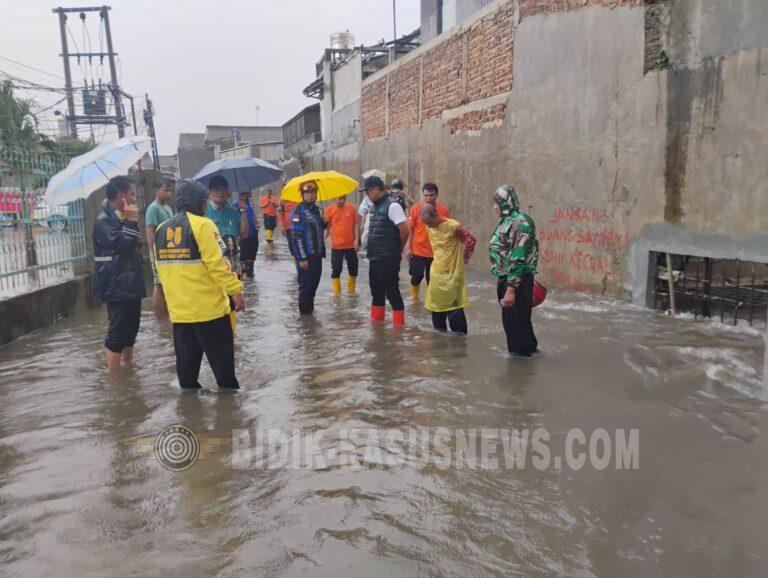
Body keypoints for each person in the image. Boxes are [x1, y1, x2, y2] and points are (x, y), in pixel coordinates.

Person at [154, 180, 245, 389]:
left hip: (180, 315)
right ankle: (230, 415)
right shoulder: (204, 225)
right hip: (209, 312)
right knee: (226, 378)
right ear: (201, 203)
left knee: (186, 379)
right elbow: (219, 264)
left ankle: (190, 415)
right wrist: (236, 291)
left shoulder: (161, 229)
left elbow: (160, 270)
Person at [92, 175, 145, 371]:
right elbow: (122, 246)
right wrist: (131, 221)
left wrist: (130, 222)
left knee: (131, 330)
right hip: (116, 285)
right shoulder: (104, 221)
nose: (134, 199)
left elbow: (133, 245)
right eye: (132, 194)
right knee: (117, 333)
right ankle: (115, 381)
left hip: (131, 283)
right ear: (121, 195)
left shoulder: (120, 217)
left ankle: (128, 370)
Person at [489, 184, 539, 357]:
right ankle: (529, 352)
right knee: (519, 322)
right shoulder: (508, 220)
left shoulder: (519, 222)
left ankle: (519, 372)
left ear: (506, 202)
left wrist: (511, 290)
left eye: (497, 203)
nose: (494, 207)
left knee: (515, 325)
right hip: (510, 278)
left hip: (515, 281)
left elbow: (518, 258)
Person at [419, 203, 476, 334]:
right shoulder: (429, 227)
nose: (428, 225)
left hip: (453, 273)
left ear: (436, 215)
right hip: (436, 273)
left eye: (429, 222)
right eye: (425, 223)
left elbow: (471, 241)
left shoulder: (453, 226)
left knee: (454, 307)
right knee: (436, 307)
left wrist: (465, 258)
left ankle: (459, 343)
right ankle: (440, 341)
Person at [362, 176, 410, 325]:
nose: (366, 196)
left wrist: (398, 248)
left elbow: (405, 231)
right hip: (375, 258)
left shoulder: (393, 206)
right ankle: (378, 331)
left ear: (376, 189)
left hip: (388, 259)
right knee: (376, 294)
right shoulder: (374, 206)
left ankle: (398, 333)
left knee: (393, 294)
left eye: (367, 192)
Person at [405, 183, 451, 301]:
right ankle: (414, 299)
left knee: (432, 279)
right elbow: (411, 228)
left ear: (437, 195)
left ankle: (430, 301)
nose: (428, 198)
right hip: (417, 250)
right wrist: (408, 247)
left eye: (431, 195)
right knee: (416, 276)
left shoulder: (443, 211)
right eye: (426, 195)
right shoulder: (415, 209)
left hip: (435, 252)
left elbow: (447, 231)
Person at [289, 180, 328, 314]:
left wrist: (324, 224)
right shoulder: (298, 211)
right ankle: (305, 322)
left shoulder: (316, 210)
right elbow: (296, 237)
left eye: (312, 192)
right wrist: (302, 258)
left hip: (317, 255)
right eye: (307, 192)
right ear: (302, 194)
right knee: (305, 287)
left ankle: (310, 315)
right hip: (306, 257)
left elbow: (315, 230)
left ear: (316, 193)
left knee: (313, 286)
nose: (310, 195)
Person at [206, 176, 248, 276]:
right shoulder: (205, 212)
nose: (220, 192)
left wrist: (244, 212)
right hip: (215, 264)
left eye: (223, 189)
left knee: (235, 290)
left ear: (228, 192)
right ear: (209, 192)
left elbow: (244, 234)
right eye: (216, 189)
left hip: (233, 262)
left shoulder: (233, 212)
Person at [145, 177, 174, 318]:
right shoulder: (153, 208)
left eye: (170, 191)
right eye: (165, 190)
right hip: (158, 251)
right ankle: (159, 319)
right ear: (156, 190)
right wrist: (153, 253)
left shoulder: (168, 208)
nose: (169, 193)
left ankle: (167, 315)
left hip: (169, 251)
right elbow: (150, 232)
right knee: (159, 285)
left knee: (167, 285)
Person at [324, 195, 359, 295]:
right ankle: (337, 294)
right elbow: (327, 228)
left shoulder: (351, 208)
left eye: (344, 198)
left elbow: (356, 223)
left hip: (351, 245)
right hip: (336, 246)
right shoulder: (329, 210)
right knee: (336, 269)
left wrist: (357, 239)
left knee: (353, 268)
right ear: (334, 198)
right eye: (340, 198)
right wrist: (324, 237)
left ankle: (351, 291)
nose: (342, 200)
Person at [234, 190, 259, 279]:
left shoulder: (250, 202)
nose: (250, 193)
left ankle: (250, 271)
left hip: (253, 231)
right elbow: (235, 218)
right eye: (248, 192)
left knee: (253, 251)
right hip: (244, 232)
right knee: (244, 252)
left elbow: (253, 213)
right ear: (242, 194)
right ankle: (243, 272)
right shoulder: (236, 204)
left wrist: (257, 222)